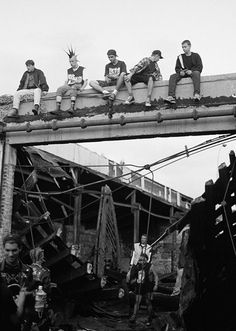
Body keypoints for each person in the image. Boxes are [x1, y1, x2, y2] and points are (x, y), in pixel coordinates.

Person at [164, 40, 203, 104]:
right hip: (183, 74)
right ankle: (171, 97)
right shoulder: (180, 57)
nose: (183, 49)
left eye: (185, 47)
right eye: (182, 47)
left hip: (192, 73)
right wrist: (180, 72)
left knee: (196, 73)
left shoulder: (196, 55)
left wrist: (192, 71)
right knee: (173, 76)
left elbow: (199, 67)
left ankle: (196, 94)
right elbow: (177, 68)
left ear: (189, 46)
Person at [52, 47, 88, 115]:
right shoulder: (69, 70)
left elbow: (86, 81)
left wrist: (82, 88)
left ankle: (72, 107)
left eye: (72, 61)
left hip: (78, 85)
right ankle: (58, 108)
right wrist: (64, 86)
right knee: (60, 89)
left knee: (74, 88)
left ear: (76, 61)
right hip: (70, 85)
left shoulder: (82, 69)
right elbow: (67, 81)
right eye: (70, 61)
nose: (71, 63)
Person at [127, 253, 158, 326]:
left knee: (148, 302)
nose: (142, 261)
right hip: (139, 286)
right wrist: (134, 280)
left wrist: (156, 285)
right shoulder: (138, 267)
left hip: (148, 286)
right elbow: (133, 277)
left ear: (146, 260)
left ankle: (150, 317)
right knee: (137, 301)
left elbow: (156, 276)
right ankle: (134, 316)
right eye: (140, 260)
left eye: (143, 260)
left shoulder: (150, 266)